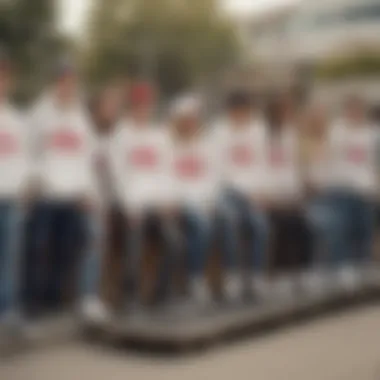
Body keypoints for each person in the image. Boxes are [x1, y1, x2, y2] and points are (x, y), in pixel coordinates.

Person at [28, 57, 107, 324]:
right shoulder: (39, 113)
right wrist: (38, 183)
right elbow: (30, 155)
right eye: (63, 81)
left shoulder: (80, 116)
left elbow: (88, 157)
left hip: (75, 194)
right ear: (54, 83)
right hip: (47, 193)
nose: (68, 86)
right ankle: (38, 301)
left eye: (72, 81)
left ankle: (86, 298)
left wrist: (89, 192)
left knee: (88, 236)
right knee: (40, 245)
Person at [108, 82, 179, 312]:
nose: (143, 110)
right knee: (134, 236)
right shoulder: (121, 134)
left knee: (174, 239)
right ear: (132, 107)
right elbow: (117, 175)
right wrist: (129, 206)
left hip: (154, 204)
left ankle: (161, 295)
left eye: (146, 105)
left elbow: (167, 172)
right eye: (138, 105)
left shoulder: (160, 135)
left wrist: (167, 201)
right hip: (129, 205)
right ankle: (129, 296)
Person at [315, 96, 378, 289]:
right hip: (340, 187)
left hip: (365, 189)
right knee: (343, 223)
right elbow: (329, 160)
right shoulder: (337, 132)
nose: (355, 115)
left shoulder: (371, 133)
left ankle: (362, 263)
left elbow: (372, 164)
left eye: (358, 111)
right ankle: (343, 265)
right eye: (352, 111)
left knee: (365, 225)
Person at [214, 90, 270, 303]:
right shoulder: (219, 132)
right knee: (230, 221)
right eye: (237, 112)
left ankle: (255, 276)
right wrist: (239, 190)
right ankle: (233, 274)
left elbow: (262, 165)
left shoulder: (259, 131)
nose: (241, 116)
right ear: (230, 112)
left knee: (260, 224)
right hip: (228, 191)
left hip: (253, 191)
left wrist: (260, 191)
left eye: (245, 112)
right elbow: (219, 170)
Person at [169, 94, 220, 308]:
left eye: (194, 119)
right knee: (200, 226)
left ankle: (231, 279)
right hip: (178, 202)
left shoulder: (206, 146)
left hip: (203, 201)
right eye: (186, 119)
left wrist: (208, 202)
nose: (191, 123)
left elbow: (213, 178)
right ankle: (195, 278)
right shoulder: (168, 145)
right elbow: (165, 179)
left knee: (220, 220)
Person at [265, 95, 313, 299]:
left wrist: (298, 194)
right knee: (280, 223)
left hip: (289, 195)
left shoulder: (292, 136)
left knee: (300, 223)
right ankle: (274, 275)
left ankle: (299, 274)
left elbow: (295, 170)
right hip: (268, 195)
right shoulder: (261, 137)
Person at [0, 48, 30, 330]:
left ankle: (7, 310)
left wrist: (24, 187)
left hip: (10, 198)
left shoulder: (16, 120)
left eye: (4, 75)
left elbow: (23, 160)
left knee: (9, 258)